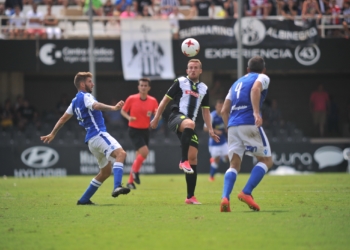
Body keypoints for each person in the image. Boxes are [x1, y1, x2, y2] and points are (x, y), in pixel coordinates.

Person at [40, 72, 130, 205]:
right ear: (82, 84)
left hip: (91, 141)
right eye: (90, 81)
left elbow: (63, 118)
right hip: (99, 134)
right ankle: (117, 186)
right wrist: (113, 108)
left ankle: (84, 199)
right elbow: (96, 106)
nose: (92, 84)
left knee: (105, 172)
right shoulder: (86, 96)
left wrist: (53, 133)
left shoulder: (75, 101)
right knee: (121, 154)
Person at [150, 59, 220, 205]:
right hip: (176, 117)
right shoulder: (180, 82)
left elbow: (206, 111)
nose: (193, 70)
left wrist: (211, 130)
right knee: (190, 123)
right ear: (187, 70)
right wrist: (156, 118)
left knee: (193, 157)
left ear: (200, 71)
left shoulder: (204, 88)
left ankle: (190, 197)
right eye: (190, 68)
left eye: (195, 68)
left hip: (189, 125)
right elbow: (164, 101)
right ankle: (183, 161)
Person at [220, 56, 273, 212]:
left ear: (247, 70)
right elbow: (255, 89)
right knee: (266, 160)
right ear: (264, 69)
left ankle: (225, 198)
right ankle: (246, 192)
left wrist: (229, 128)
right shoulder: (262, 77)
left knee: (234, 165)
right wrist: (256, 113)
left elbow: (224, 110)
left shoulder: (236, 83)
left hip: (232, 125)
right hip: (249, 122)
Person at [121, 78, 158, 190]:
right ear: (138, 87)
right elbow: (123, 110)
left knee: (140, 156)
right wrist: (129, 118)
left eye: (145, 85)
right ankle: (135, 172)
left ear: (149, 88)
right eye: (141, 85)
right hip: (134, 130)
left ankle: (130, 182)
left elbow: (157, 113)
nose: (143, 87)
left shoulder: (152, 100)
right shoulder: (132, 99)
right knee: (145, 152)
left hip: (145, 131)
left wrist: (157, 118)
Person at [203, 99, 229, 182]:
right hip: (214, 142)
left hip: (223, 141)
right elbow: (205, 128)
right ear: (216, 107)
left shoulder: (225, 115)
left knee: (229, 157)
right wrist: (215, 131)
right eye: (219, 106)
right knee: (217, 160)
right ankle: (211, 176)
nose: (221, 108)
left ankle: (215, 159)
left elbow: (227, 125)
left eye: (222, 106)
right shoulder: (212, 116)